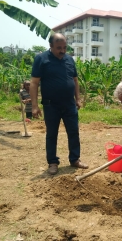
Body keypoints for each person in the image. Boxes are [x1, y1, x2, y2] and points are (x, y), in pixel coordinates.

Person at [30, 33, 88, 175]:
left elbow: (74, 80)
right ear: (51, 46)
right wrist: (35, 106)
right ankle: (53, 162)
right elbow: (34, 83)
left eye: (64, 47)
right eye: (58, 48)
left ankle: (75, 159)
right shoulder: (41, 59)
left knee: (73, 132)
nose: (62, 50)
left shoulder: (69, 59)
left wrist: (78, 98)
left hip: (69, 104)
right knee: (52, 134)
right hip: (51, 105)